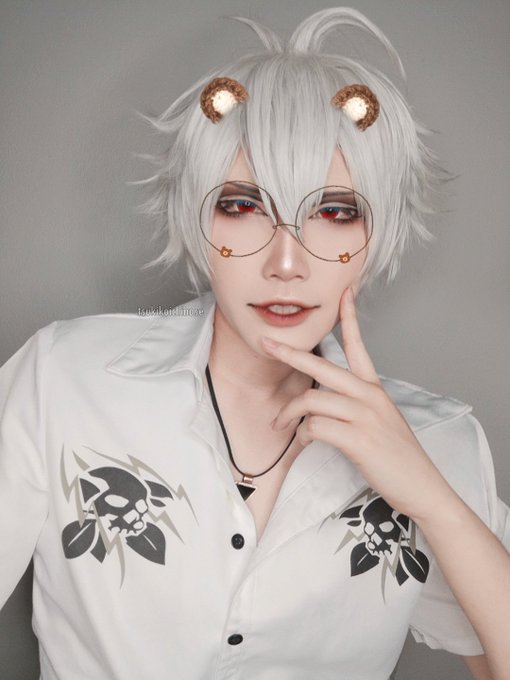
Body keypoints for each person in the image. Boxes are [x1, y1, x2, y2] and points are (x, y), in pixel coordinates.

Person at [0, 7, 509, 680]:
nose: (286, 263)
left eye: (334, 212)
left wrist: (435, 503)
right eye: (242, 206)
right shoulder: (66, 381)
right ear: (197, 218)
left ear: (375, 236)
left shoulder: (439, 442)